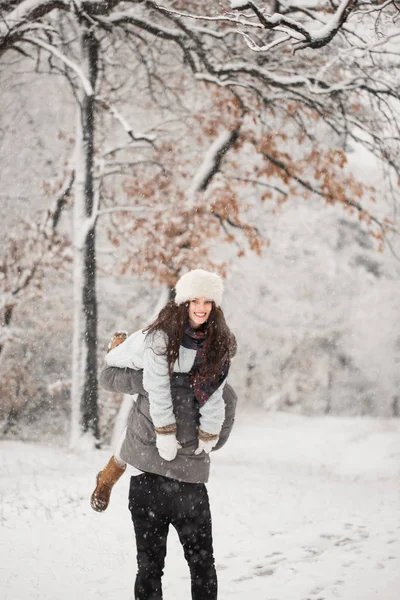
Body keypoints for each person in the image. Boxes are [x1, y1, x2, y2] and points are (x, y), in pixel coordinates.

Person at [91, 269, 237, 600]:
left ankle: (108, 475)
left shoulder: (211, 372)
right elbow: (109, 374)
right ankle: (107, 477)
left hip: (162, 480)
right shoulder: (156, 352)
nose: (201, 307)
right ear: (183, 303)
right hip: (174, 481)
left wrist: (164, 386)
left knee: (155, 567)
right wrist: (203, 446)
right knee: (195, 566)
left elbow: (109, 375)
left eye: (207, 302)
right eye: (195, 301)